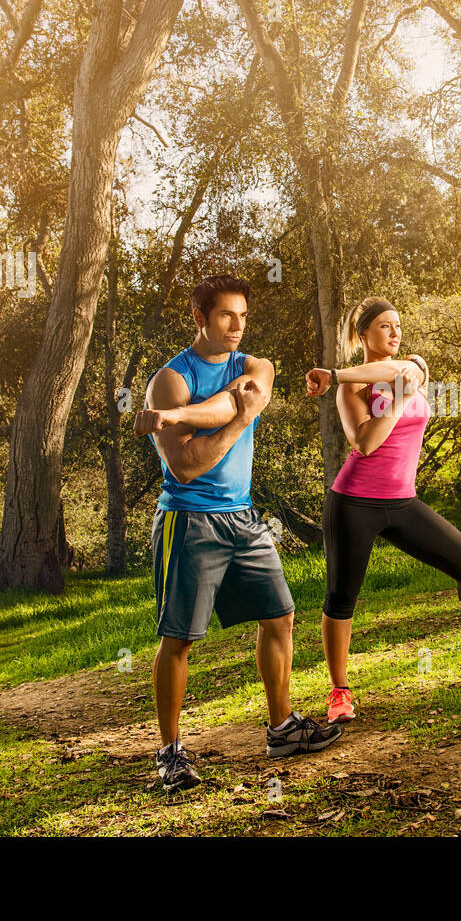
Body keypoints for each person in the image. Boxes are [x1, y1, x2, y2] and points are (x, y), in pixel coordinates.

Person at [135, 274, 341, 790]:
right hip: (188, 520)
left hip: (243, 517)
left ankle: (281, 729)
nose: (237, 326)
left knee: (279, 615)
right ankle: (171, 752)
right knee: (178, 639)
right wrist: (230, 421)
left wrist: (179, 417)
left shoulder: (255, 367)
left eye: (243, 315)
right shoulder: (169, 380)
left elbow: (237, 401)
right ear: (198, 317)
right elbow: (186, 467)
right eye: (226, 314)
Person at [305, 296, 461, 725]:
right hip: (354, 503)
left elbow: (400, 375)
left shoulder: (411, 368)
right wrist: (389, 398)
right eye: (384, 326)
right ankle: (339, 691)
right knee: (342, 595)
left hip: (402, 502)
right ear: (364, 334)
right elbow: (365, 443)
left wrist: (334, 373)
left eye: (397, 325)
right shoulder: (352, 389)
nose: (395, 333)